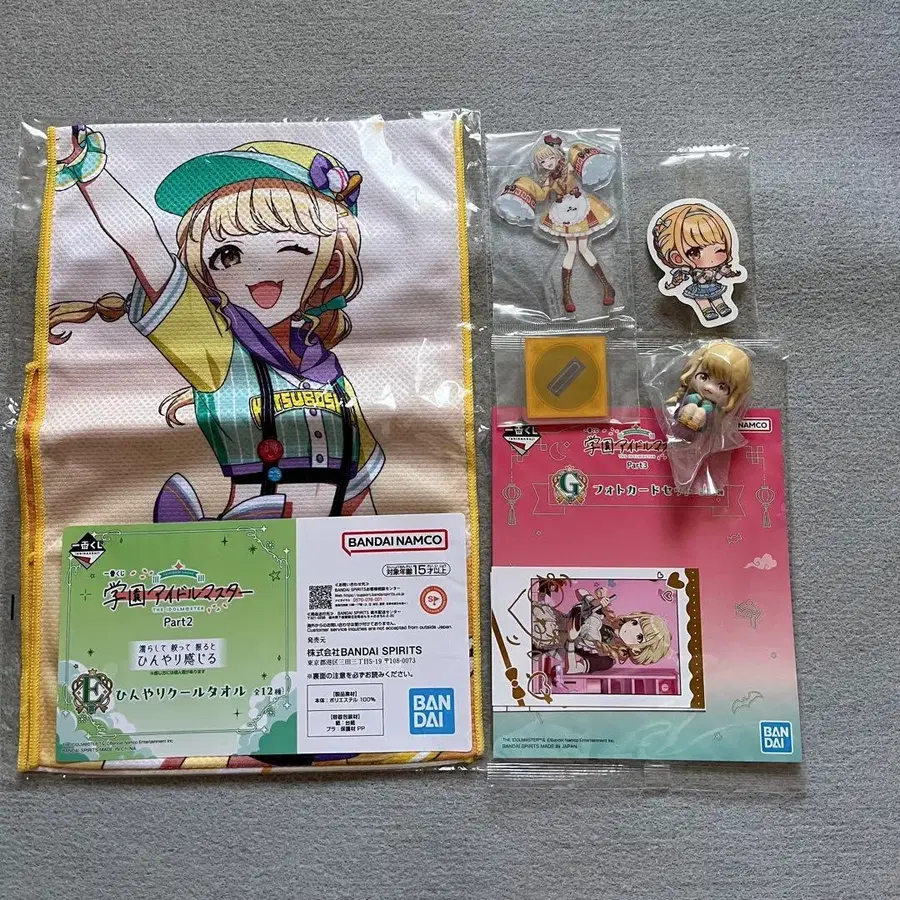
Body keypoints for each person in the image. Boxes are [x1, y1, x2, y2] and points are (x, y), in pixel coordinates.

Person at [49, 126, 384, 521]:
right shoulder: (219, 349)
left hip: (325, 549)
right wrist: (85, 167)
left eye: (291, 248)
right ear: (204, 270)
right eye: (227, 255)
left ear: (330, 265)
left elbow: (358, 492)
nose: (257, 272)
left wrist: (366, 547)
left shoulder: (329, 372)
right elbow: (142, 245)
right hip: (246, 544)